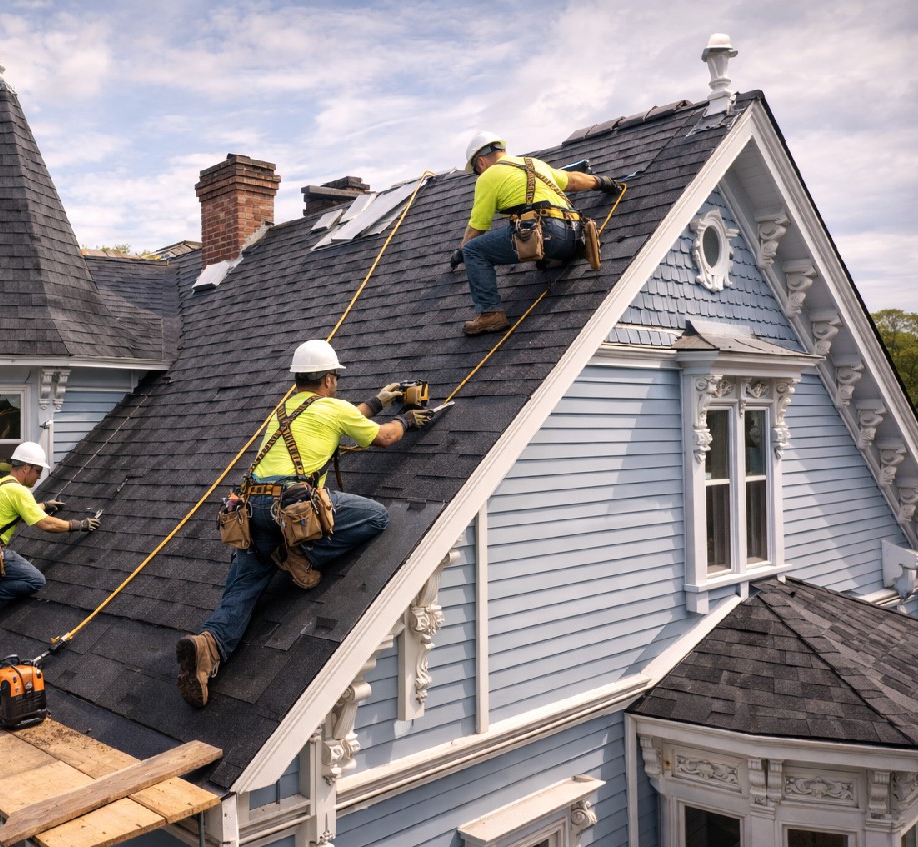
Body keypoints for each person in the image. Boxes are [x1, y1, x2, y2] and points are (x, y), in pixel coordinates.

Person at [176, 340, 433, 708]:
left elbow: (342, 421)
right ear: (328, 379)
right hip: (291, 508)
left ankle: (208, 647)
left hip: (251, 511)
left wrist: (377, 403)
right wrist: (406, 419)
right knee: (377, 516)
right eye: (335, 378)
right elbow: (384, 437)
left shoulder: (283, 410)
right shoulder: (333, 408)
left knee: (243, 588)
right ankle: (298, 553)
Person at [454, 130, 622, 336]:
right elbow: (573, 181)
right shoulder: (534, 164)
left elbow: (477, 227)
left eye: (477, 171)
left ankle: (490, 314)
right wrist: (603, 182)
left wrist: (460, 253)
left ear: (480, 162)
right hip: (576, 237)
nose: (479, 174)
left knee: (473, 250)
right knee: (539, 236)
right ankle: (553, 259)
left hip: (544, 235)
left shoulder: (488, 177)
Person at [0, 441, 99, 619]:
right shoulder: (19, 491)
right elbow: (46, 524)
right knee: (35, 580)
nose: (39, 477)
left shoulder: (0, 484)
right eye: (38, 471)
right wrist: (78, 525)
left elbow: (20, 510)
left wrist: (45, 505)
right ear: (26, 467)